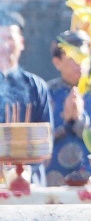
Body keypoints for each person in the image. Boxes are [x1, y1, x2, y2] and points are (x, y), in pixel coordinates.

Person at [0, 11, 54, 186]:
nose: (4, 45)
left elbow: (47, 140)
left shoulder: (36, 87)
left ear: (21, 43)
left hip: (29, 182)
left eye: (9, 38)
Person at [46, 31, 91, 184]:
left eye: (84, 57)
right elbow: (37, 139)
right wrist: (64, 122)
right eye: (73, 58)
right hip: (53, 178)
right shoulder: (46, 93)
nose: (79, 63)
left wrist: (80, 120)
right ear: (57, 62)